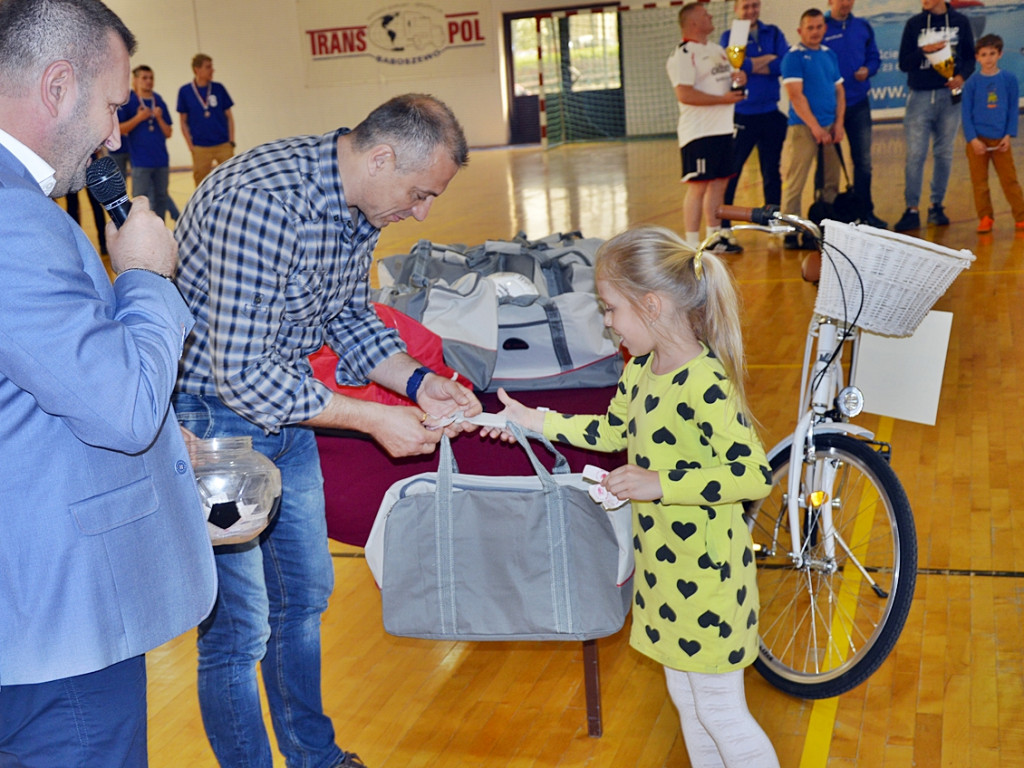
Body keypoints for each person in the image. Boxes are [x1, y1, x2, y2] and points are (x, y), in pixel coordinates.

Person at [172, 93, 481, 768]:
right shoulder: (260, 203)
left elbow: (346, 315)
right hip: (213, 427)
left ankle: (313, 756)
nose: (422, 213)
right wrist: (371, 417)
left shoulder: (359, 202)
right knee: (239, 629)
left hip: (290, 410)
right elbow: (243, 376)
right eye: (421, 194)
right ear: (381, 158)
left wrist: (417, 383)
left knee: (305, 598)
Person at [0, 0, 217, 765]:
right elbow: (123, 411)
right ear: (58, 86)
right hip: (56, 627)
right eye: (112, 105)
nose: (116, 133)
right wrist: (147, 276)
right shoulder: (13, 218)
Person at [483, 225, 778, 768]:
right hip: (664, 573)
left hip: (709, 580)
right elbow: (610, 432)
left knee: (721, 712)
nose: (608, 321)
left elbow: (752, 474)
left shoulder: (704, 383)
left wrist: (660, 483)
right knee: (689, 704)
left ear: (652, 305)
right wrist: (533, 420)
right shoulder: (640, 370)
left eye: (611, 308)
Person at [667, 2, 747, 251]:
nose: (710, 16)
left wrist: (739, 79)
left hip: (723, 129)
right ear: (693, 22)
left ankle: (714, 238)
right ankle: (691, 245)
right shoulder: (683, 54)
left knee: (719, 184)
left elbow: (727, 81)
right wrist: (723, 100)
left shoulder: (717, 49)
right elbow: (685, 94)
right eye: (705, 14)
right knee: (698, 187)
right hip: (699, 133)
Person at [894, 0, 975, 231]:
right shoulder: (914, 24)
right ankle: (911, 209)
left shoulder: (960, 22)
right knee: (915, 155)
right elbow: (903, 64)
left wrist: (961, 77)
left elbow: (970, 59)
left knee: (944, 153)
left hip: (949, 97)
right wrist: (925, 50)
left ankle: (936, 206)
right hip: (919, 97)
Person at [718, 0, 789, 245]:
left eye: (754, 5)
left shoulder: (774, 32)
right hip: (742, 114)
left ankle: (772, 220)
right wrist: (765, 59)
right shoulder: (731, 36)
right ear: (736, 9)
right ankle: (724, 226)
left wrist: (751, 65)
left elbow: (783, 64)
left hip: (770, 113)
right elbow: (734, 67)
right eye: (745, 6)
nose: (751, 11)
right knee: (732, 171)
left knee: (772, 171)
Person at [780, 8, 845, 249]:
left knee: (831, 180)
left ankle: (824, 226)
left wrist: (838, 124)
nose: (815, 32)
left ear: (824, 28)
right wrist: (815, 127)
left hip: (830, 127)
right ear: (800, 30)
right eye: (810, 28)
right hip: (803, 128)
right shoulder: (793, 57)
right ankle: (790, 231)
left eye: (819, 27)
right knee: (795, 182)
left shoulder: (829, 54)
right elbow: (796, 97)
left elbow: (840, 91)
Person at [825, 0, 887, 229]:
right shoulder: (821, 27)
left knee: (863, 162)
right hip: (829, 108)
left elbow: (874, 57)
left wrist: (868, 69)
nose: (846, 3)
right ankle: (828, 216)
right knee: (828, 168)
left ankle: (864, 213)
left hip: (859, 104)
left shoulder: (863, 26)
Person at [961, 34, 1024, 234]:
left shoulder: (1009, 79)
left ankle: (1021, 217)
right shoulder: (972, 83)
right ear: (977, 57)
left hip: (1000, 140)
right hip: (977, 141)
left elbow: (1013, 110)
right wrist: (972, 139)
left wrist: (1008, 135)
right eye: (984, 54)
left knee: (1009, 180)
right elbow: (965, 114)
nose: (988, 58)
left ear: (1000, 54)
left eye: (992, 53)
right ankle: (985, 218)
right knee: (979, 183)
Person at [119, 65, 175, 222]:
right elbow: (120, 129)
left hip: (161, 160)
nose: (148, 81)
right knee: (140, 200)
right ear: (135, 80)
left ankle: (160, 228)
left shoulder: (158, 100)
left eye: (151, 78)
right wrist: (139, 118)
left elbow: (168, 132)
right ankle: (141, 230)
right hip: (141, 161)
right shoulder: (129, 101)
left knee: (161, 198)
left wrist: (159, 118)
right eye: (144, 78)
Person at [177, 53, 235, 187]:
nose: (212, 70)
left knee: (231, 179)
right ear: (197, 69)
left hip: (223, 144)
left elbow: (229, 117)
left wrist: (231, 141)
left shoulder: (219, 88)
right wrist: (191, 146)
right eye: (208, 67)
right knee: (201, 183)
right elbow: (183, 121)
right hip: (200, 146)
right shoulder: (185, 91)